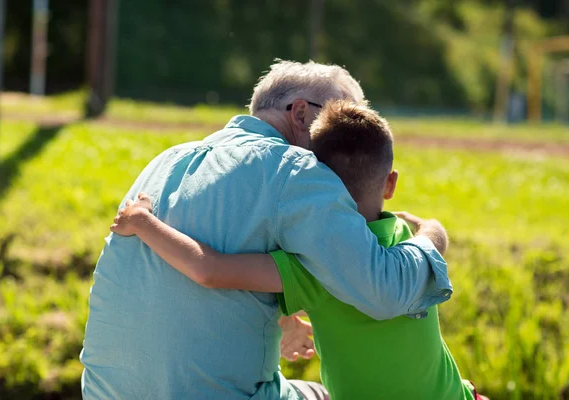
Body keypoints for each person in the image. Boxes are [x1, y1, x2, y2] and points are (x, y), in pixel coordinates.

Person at [80, 60, 452, 400]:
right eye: (337, 120)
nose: (342, 141)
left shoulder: (166, 160)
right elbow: (385, 289)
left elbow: (210, 260)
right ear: (301, 113)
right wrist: (432, 236)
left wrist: (282, 316)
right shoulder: (298, 170)